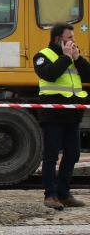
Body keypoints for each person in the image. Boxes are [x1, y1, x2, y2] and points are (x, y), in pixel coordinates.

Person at [34, 22, 90, 210]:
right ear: (58, 39)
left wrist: (78, 58)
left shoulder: (74, 56)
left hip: (72, 114)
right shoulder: (42, 56)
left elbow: (88, 76)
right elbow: (50, 75)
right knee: (50, 156)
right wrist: (66, 58)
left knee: (73, 154)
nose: (73, 41)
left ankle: (64, 193)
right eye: (70, 38)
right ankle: (50, 195)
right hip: (53, 114)